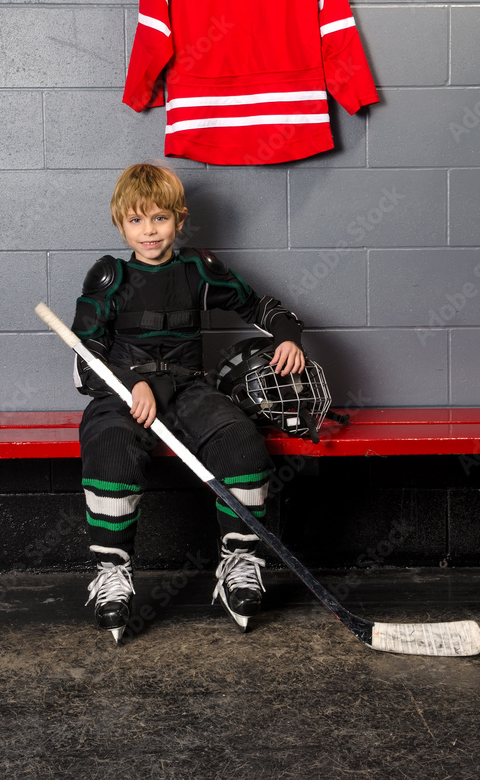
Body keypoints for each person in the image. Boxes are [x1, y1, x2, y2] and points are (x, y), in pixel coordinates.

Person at [71, 162, 305, 641]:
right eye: (136, 220)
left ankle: (239, 562)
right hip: (124, 393)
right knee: (112, 450)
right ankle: (111, 574)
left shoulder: (198, 269)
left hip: (188, 387)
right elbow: (83, 360)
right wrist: (129, 383)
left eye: (159, 218)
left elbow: (262, 306)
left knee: (242, 443)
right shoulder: (109, 277)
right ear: (120, 224)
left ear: (179, 219)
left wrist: (287, 336)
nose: (148, 230)